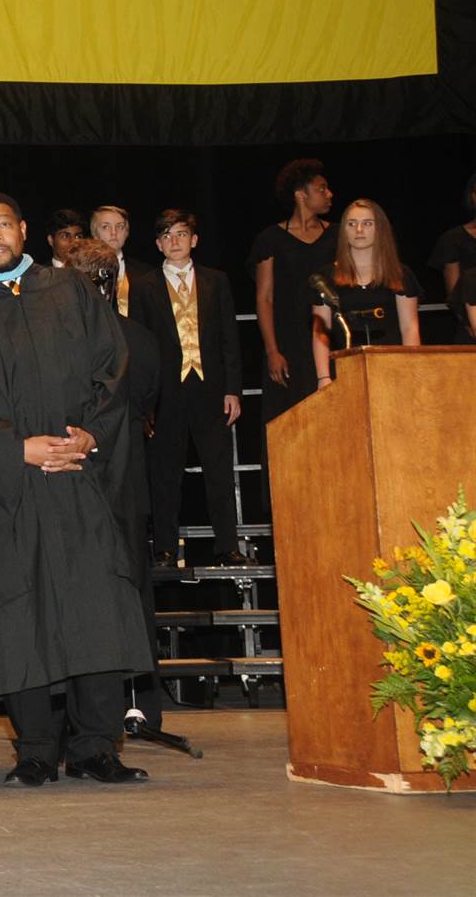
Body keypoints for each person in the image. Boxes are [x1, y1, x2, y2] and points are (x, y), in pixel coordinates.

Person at [0, 193, 151, 788]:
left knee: (93, 604)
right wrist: (15, 449)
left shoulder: (70, 289)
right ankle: (34, 749)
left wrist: (88, 437)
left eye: (5, 224)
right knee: (17, 606)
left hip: (78, 476)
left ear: (25, 230)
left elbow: (113, 367)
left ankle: (96, 747)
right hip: (8, 487)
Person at [65, 237, 175, 744]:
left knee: (79, 597)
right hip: (129, 480)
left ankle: (84, 714)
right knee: (134, 594)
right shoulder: (141, 337)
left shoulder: (61, 341)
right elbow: (152, 397)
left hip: (77, 478)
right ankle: (142, 707)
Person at [131, 211, 244, 567]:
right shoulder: (144, 285)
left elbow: (230, 338)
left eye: (182, 234)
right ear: (158, 244)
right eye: (167, 235)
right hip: (166, 392)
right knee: (165, 472)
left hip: (210, 388)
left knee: (219, 470)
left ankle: (227, 544)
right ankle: (164, 546)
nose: (175, 241)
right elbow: (140, 346)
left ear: (194, 239)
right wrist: (145, 399)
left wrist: (233, 389)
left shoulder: (216, 280)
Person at [247, 159, 332, 419]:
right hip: (289, 342)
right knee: (291, 418)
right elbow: (265, 298)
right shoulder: (270, 239)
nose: (329, 194)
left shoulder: (338, 234)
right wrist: (272, 350)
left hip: (331, 336)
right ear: (300, 195)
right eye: (322, 188)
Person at [312, 199, 422, 381]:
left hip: (393, 370)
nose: (359, 230)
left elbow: (409, 328)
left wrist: (412, 372)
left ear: (380, 230)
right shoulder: (326, 277)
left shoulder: (400, 274)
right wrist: (323, 377)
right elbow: (321, 332)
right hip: (345, 371)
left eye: (367, 223)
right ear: (343, 231)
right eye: (352, 224)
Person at [426, 172, 476, 343]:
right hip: (470, 326)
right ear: (472, 197)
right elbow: (454, 294)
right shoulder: (453, 239)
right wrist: (469, 324)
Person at [90, 205, 152, 317]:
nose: (114, 232)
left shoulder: (146, 273)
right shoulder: (85, 274)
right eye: (106, 227)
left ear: (127, 232)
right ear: (95, 235)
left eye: (120, 227)